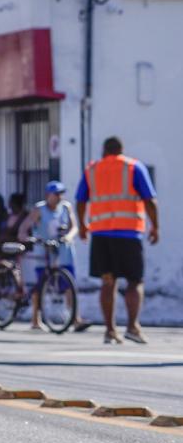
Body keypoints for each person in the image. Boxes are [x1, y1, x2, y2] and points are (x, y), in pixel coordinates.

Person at [77, 136, 159, 345]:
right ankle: (132, 327)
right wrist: (155, 226)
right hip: (129, 234)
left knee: (107, 282)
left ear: (104, 151)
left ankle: (110, 330)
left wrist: (83, 226)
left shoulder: (92, 169)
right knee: (135, 281)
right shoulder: (133, 167)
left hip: (101, 235)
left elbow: (80, 200)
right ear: (121, 150)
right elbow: (149, 200)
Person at [17, 180, 78, 331]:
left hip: (63, 250)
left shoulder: (66, 207)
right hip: (44, 250)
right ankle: (35, 319)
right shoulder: (39, 209)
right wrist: (25, 238)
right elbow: (24, 227)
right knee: (41, 284)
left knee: (69, 283)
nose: (59, 197)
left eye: (60, 194)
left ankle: (75, 318)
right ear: (48, 195)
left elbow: (74, 227)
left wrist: (69, 236)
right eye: (56, 194)